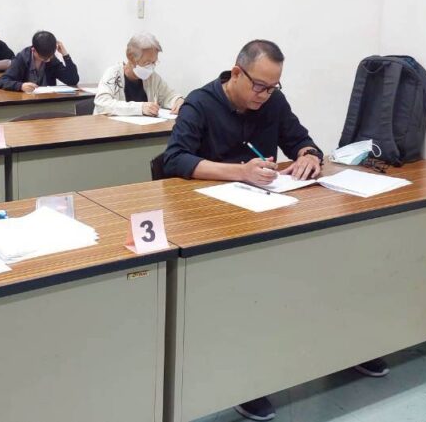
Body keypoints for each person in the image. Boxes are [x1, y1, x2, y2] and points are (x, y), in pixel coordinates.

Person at [162, 39, 388, 421]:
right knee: (250, 292)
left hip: (263, 212)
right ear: (236, 73)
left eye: (272, 87)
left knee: (330, 260)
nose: (265, 95)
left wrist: (308, 157)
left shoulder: (274, 103)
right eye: (259, 86)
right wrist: (240, 171)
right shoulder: (200, 104)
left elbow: (302, 140)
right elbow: (174, 159)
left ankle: (347, 348)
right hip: (209, 220)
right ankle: (245, 381)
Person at [93, 32, 185, 116]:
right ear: (131, 58)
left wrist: (178, 101)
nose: (151, 67)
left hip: (144, 128)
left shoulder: (152, 78)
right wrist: (140, 108)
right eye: (147, 63)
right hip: (111, 127)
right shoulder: (113, 74)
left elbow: (168, 96)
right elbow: (102, 104)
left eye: (154, 62)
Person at [0, 30, 79, 93]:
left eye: (50, 56)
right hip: (25, 101)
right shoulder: (22, 58)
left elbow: (72, 80)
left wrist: (65, 55)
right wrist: (21, 86)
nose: (48, 60)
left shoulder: (51, 58)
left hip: (47, 100)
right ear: (33, 50)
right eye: (43, 58)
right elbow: (3, 81)